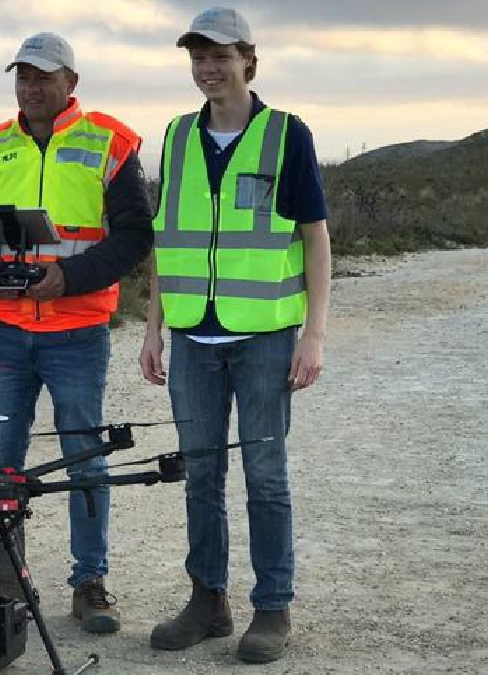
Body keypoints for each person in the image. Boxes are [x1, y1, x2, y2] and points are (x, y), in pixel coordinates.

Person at [138, 7, 332, 664]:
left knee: (266, 476)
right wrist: (154, 326)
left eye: (220, 55)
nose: (208, 67)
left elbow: (315, 238)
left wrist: (315, 334)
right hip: (194, 337)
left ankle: (273, 606)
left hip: (266, 336)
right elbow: (168, 238)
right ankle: (207, 600)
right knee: (201, 476)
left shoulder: (286, 134)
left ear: (249, 60)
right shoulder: (175, 136)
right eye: (197, 55)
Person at [0, 32, 154, 635]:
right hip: (6, 333)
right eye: (23, 76)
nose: (31, 86)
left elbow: (135, 235)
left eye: (44, 76)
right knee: (0, 466)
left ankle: (89, 583)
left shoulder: (109, 142)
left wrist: (67, 278)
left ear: (71, 82)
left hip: (77, 333)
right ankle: (2, 580)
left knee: (83, 460)